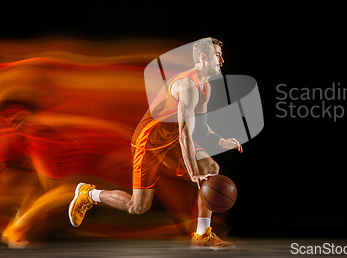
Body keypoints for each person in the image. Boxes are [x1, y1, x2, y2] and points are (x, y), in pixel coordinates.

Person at [68, 38, 242, 250]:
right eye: (218, 55)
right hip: (150, 142)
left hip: (171, 140)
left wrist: (222, 140)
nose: (222, 60)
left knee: (211, 168)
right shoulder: (187, 86)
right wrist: (193, 172)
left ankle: (202, 235)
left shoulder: (205, 87)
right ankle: (88, 194)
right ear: (204, 57)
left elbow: (201, 128)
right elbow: (186, 134)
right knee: (138, 206)